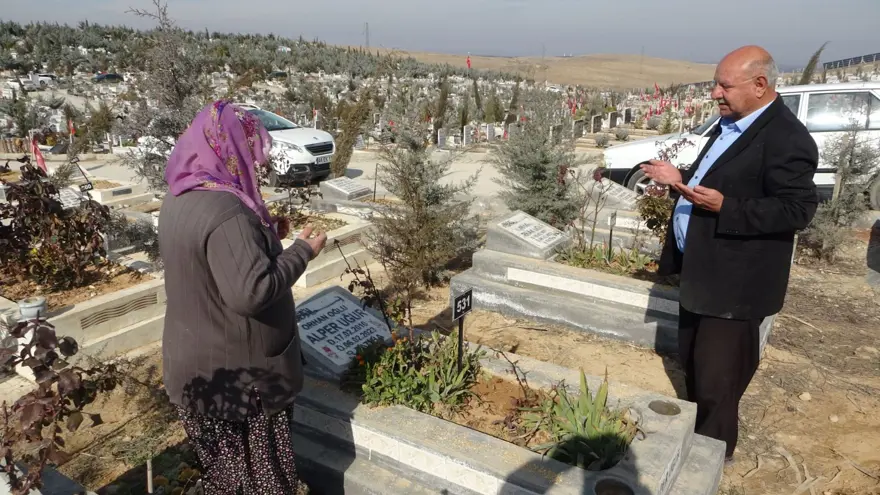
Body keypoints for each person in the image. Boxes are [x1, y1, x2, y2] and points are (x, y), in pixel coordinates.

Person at [640, 46, 818, 461]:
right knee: (695, 365)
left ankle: (709, 461)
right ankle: (697, 441)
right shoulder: (731, 125)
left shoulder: (786, 138)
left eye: (725, 86)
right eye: (715, 84)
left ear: (760, 85)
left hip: (736, 286)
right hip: (704, 273)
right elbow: (720, 181)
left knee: (718, 382)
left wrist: (727, 208)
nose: (715, 94)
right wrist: (679, 179)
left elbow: (798, 209)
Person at [158, 100, 327, 494]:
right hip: (243, 382)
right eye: (252, 149)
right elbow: (252, 292)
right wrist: (302, 252)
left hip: (200, 372)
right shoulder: (229, 211)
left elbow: (215, 263)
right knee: (263, 482)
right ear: (230, 148)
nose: (259, 161)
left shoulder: (181, 194)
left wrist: (264, 239)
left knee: (226, 478)